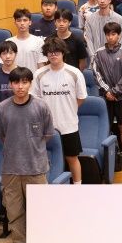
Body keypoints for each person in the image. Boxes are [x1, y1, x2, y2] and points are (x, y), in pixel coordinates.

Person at [0, 67, 52, 243]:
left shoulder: (41, 106)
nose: (20, 86)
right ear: (10, 84)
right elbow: (2, 136)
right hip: (11, 169)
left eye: (24, 82)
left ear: (30, 84)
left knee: (40, 210)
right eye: (16, 82)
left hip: (36, 168)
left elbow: (47, 134)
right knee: (14, 210)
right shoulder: (2, 108)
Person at [33, 37, 87, 183]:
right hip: (46, 127)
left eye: (56, 52)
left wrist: (69, 109)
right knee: (47, 159)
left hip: (68, 125)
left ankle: (78, 187)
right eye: (50, 52)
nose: (53, 55)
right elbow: (35, 100)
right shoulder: (39, 74)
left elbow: (81, 98)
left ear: (63, 53)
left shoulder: (74, 72)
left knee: (72, 158)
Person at [92, 22, 122, 168]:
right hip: (105, 97)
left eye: (113, 34)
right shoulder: (98, 53)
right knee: (106, 126)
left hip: (121, 96)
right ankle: (107, 155)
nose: (110, 37)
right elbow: (96, 74)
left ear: (119, 35)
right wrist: (107, 91)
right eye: (108, 34)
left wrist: (115, 91)